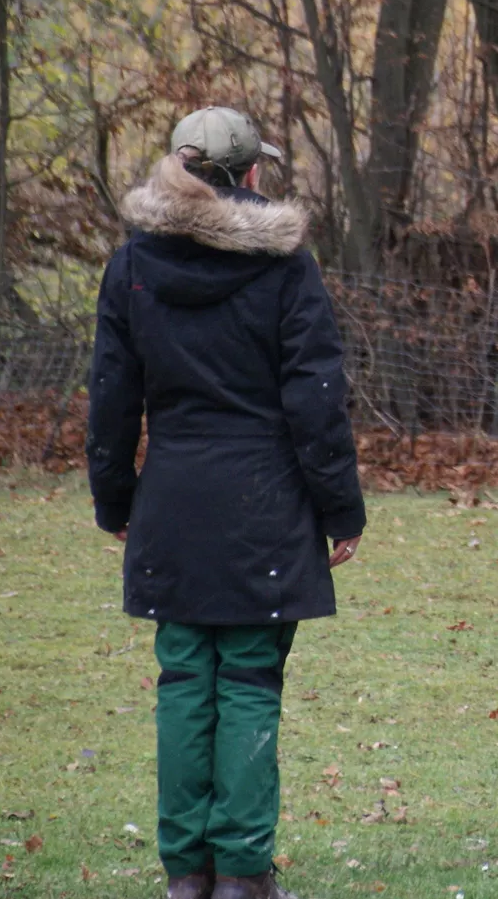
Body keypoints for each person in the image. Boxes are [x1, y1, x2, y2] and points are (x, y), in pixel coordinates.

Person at [87, 107, 365, 899]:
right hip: (264, 506)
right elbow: (316, 397)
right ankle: (243, 873)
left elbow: (112, 396)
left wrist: (115, 499)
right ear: (249, 173)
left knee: (183, 680)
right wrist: (340, 508)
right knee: (248, 679)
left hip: (172, 499)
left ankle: (187, 874)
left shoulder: (131, 264)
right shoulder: (287, 265)